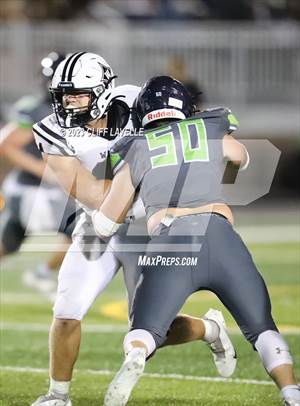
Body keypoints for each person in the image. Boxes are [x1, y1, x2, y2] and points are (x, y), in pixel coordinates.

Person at [30, 54, 236, 406]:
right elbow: (93, 195)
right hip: (98, 225)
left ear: (102, 91)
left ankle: (210, 328)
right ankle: (57, 396)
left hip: (150, 227)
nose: (68, 103)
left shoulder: (138, 100)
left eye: (77, 94)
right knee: (66, 310)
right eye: (63, 95)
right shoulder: (52, 131)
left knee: (150, 330)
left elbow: (193, 133)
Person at [90, 76, 300, 406]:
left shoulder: (135, 146)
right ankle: (291, 392)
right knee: (262, 328)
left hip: (171, 241)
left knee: (143, 330)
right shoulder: (209, 127)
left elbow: (104, 223)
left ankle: (136, 354)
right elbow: (241, 157)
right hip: (220, 236)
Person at [0, 52, 75, 299]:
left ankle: (42, 272)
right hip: (33, 189)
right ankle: (42, 272)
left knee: (9, 242)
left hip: (43, 190)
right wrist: (42, 170)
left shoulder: (73, 112)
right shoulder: (36, 110)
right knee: (83, 231)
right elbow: (6, 144)